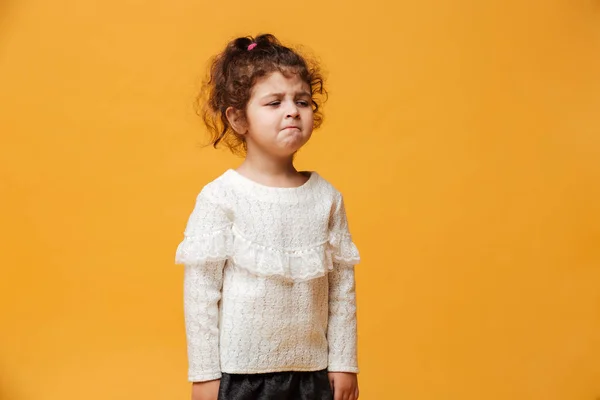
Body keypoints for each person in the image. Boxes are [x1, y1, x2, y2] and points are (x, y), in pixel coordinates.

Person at [175, 33, 361, 400]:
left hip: (313, 373)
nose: (292, 110)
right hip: (240, 376)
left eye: (302, 101)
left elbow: (342, 292)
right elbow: (200, 294)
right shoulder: (220, 197)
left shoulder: (327, 198)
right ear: (238, 118)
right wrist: (204, 375)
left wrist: (344, 362)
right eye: (274, 102)